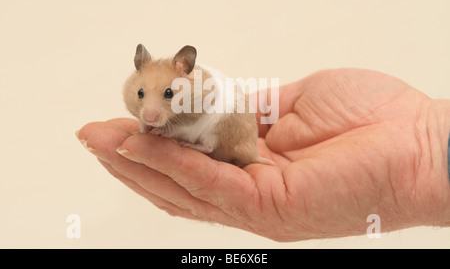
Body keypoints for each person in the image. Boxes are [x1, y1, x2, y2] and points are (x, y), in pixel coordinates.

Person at [76, 68, 450, 241]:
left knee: (203, 132)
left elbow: (197, 118)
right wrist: (428, 145)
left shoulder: (204, 94)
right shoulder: (157, 93)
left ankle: (210, 148)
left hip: (220, 133)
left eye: (167, 96)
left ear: (186, 71)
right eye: (142, 97)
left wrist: (428, 148)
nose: (150, 109)